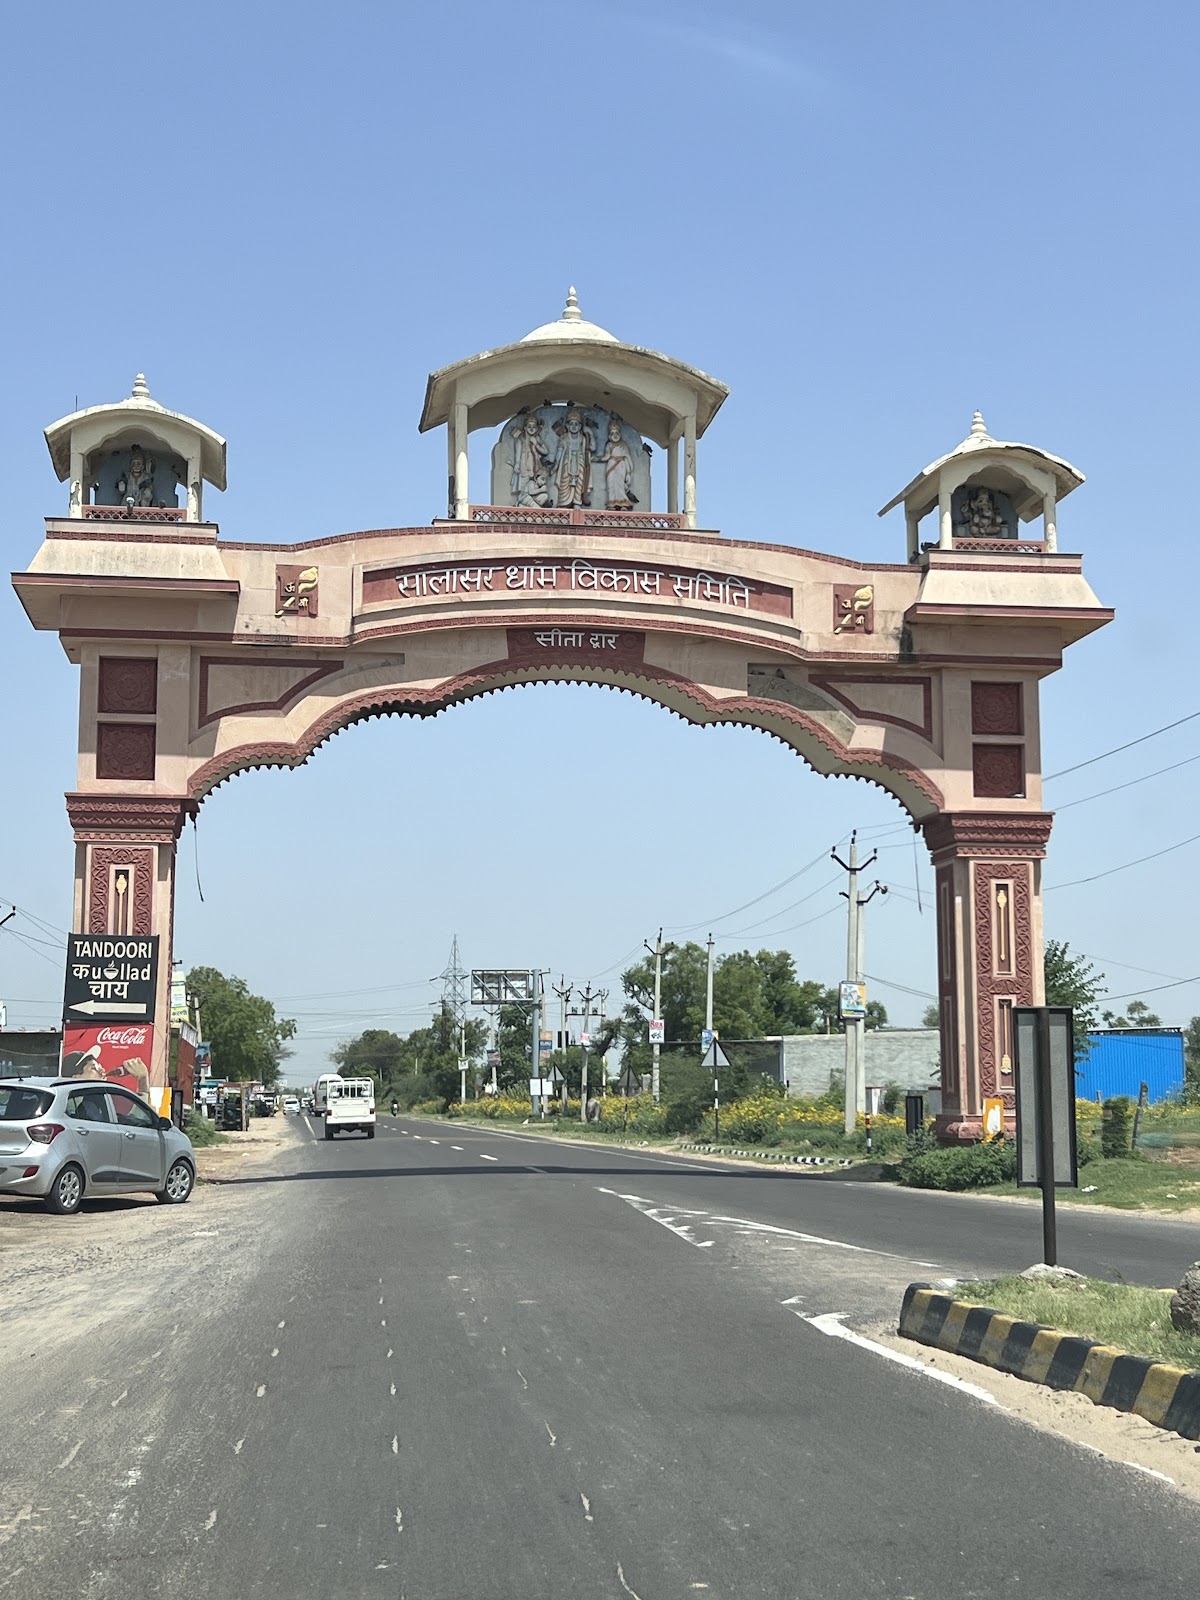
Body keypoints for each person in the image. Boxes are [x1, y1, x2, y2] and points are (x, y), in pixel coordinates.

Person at [593, 417, 638, 509]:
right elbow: (606, 457)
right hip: (611, 465)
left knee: (620, 485)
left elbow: (628, 458)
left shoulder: (623, 445)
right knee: (611, 484)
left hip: (621, 465)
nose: (615, 435)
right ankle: (612, 503)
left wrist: (629, 473)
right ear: (609, 435)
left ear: (620, 434)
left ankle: (623, 503)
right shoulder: (609, 445)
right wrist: (596, 459)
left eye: (617, 433)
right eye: (612, 433)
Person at [551, 407, 593, 508]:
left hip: (580, 462)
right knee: (565, 480)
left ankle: (577, 502)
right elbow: (559, 452)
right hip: (566, 462)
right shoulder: (563, 437)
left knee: (579, 482)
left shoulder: (583, 438)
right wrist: (556, 465)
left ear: (580, 426)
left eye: (576, 424)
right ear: (567, 425)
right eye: (571, 424)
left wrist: (590, 433)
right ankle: (564, 502)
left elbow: (593, 448)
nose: (574, 426)